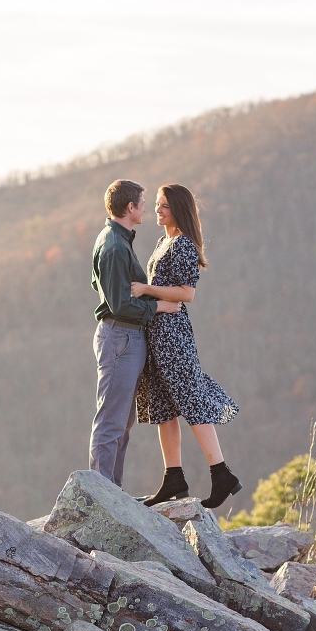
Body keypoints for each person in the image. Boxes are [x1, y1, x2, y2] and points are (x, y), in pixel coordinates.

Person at [133, 183, 242, 509]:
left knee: (191, 401)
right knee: (163, 407)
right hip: (157, 333)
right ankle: (174, 478)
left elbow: (186, 293)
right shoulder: (163, 241)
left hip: (174, 336)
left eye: (164, 205)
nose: (157, 210)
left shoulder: (183, 245)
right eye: (156, 204)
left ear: (178, 209)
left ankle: (221, 473)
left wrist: (145, 289)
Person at [89, 179, 181, 486]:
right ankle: (102, 494)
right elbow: (120, 304)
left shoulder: (117, 240)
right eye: (143, 203)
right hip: (120, 338)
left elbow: (99, 285)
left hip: (124, 338)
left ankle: (111, 491)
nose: (147, 208)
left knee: (122, 422)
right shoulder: (114, 246)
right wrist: (160, 308)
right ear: (130, 208)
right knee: (111, 422)